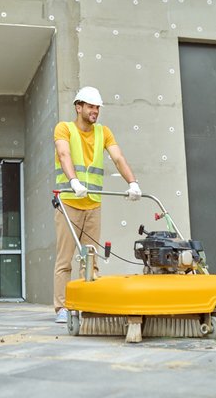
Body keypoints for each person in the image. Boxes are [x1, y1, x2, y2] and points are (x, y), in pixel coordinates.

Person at [53, 86, 142, 323]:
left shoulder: (104, 132)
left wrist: (132, 183)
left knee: (90, 258)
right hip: (70, 202)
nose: (95, 111)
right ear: (78, 107)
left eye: (97, 107)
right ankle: (61, 308)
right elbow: (64, 155)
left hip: (93, 204)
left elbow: (118, 157)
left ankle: (88, 305)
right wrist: (73, 181)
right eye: (90, 106)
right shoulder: (64, 128)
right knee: (65, 259)